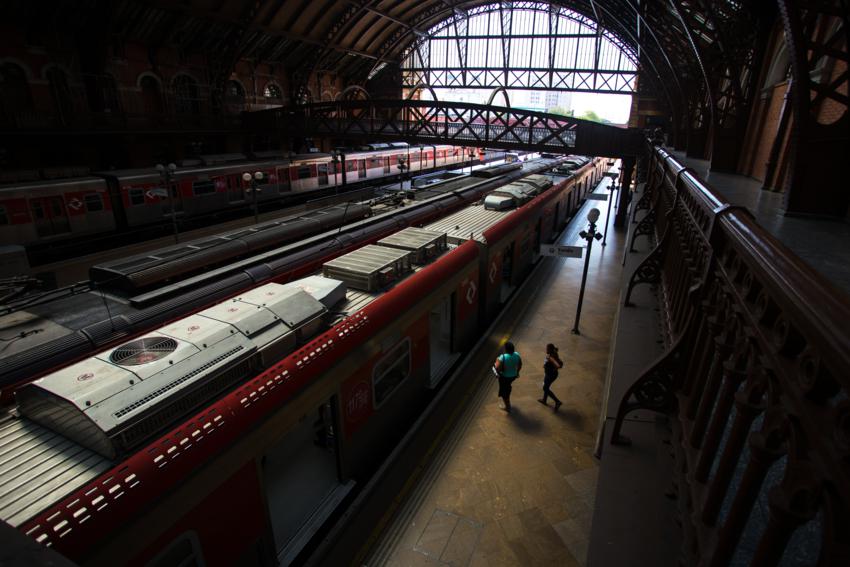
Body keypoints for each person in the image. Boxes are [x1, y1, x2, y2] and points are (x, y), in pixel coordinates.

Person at [494, 342, 522, 412]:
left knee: (504, 392)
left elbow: (497, 368)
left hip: (504, 377)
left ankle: (508, 407)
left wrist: (497, 360)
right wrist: (517, 372)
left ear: (506, 349)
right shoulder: (517, 354)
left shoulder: (502, 357)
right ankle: (508, 394)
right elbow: (520, 364)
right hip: (513, 376)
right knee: (507, 387)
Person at [538, 343, 564, 411]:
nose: (546, 349)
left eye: (547, 349)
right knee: (546, 386)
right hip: (549, 374)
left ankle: (557, 401)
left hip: (550, 375)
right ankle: (544, 400)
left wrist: (555, 366)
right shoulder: (553, 352)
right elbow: (556, 348)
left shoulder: (551, 357)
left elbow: (558, 365)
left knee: (545, 388)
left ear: (550, 350)